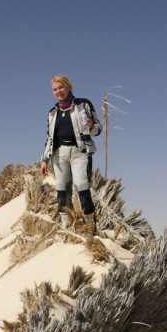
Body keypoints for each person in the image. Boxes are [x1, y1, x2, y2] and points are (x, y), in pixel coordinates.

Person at [40, 75, 102, 235]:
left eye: (61, 87)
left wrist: (91, 127)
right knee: (62, 191)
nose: (58, 91)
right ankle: (67, 229)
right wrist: (45, 160)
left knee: (82, 188)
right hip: (59, 155)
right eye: (55, 89)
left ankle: (90, 230)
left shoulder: (83, 104)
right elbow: (50, 138)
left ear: (68, 87)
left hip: (79, 152)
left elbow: (98, 128)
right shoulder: (52, 113)